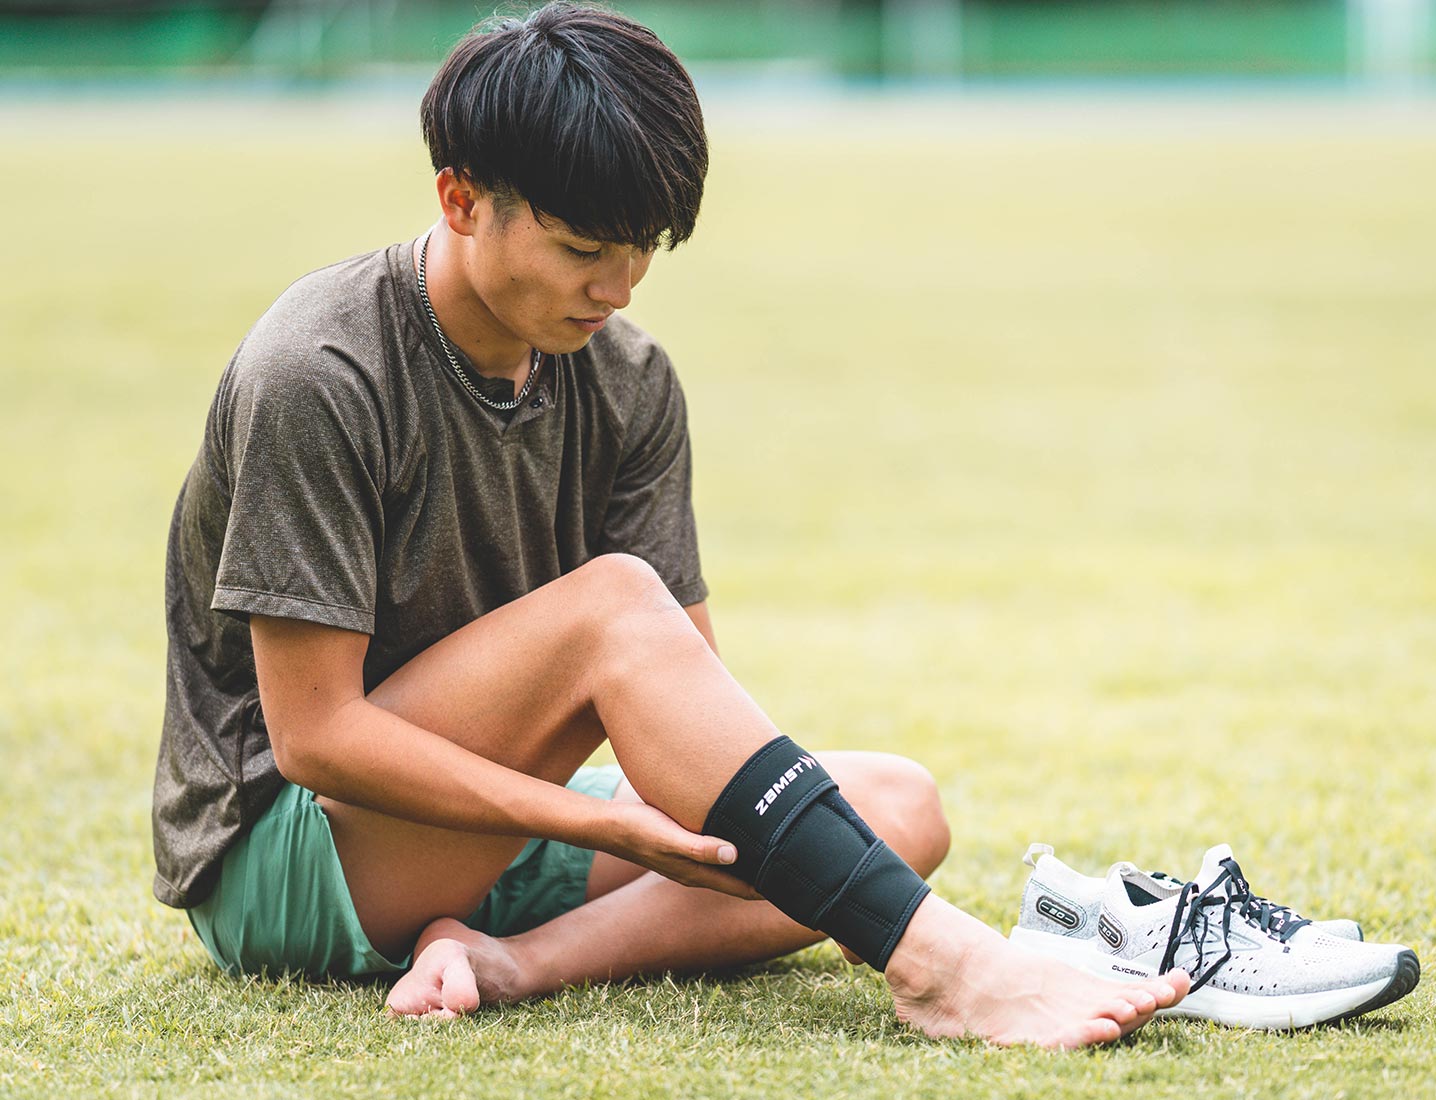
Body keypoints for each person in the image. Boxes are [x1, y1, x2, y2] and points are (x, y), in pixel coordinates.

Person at [152, 2, 1186, 1048]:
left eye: (643, 246)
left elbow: (681, 684)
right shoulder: (320, 371)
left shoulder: (629, 378)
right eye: (582, 247)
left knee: (897, 805)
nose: (619, 286)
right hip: (291, 855)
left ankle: (504, 959)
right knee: (614, 603)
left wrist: (719, 828)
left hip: (500, 824)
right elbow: (316, 736)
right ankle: (941, 965)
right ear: (461, 201)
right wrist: (598, 821)